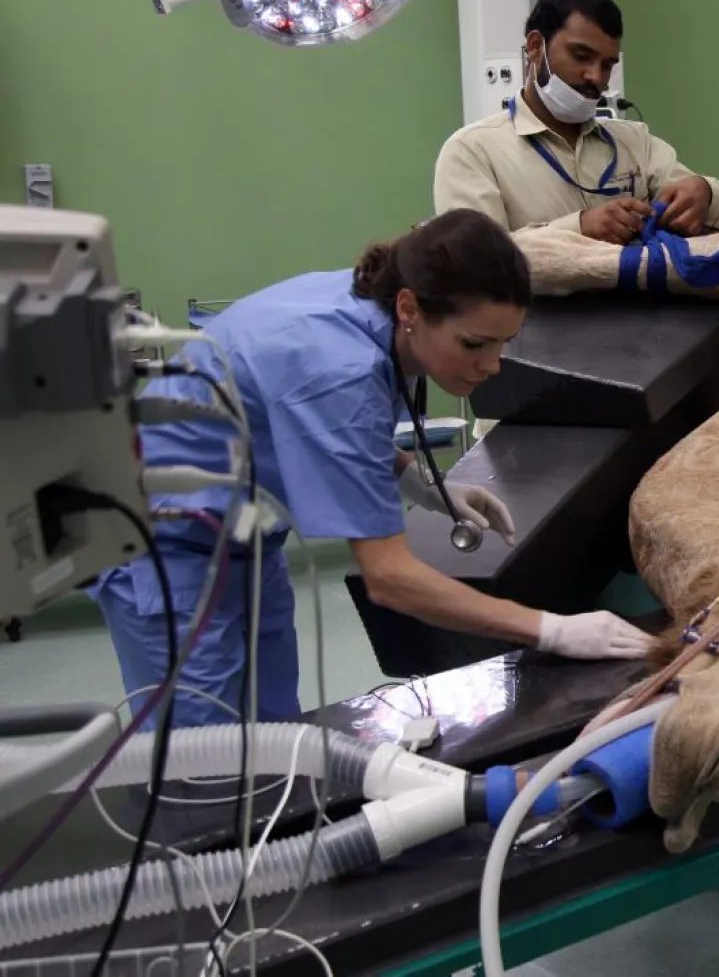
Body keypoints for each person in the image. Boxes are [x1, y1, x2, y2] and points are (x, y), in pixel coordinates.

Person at [94, 209, 654, 729]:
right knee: (202, 768)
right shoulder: (336, 363)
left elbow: (311, 422)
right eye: (474, 344)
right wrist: (551, 629)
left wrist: (418, 479)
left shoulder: (373, 307)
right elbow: (390, 580)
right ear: (411, 309)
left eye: (505, 343)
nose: (491, 365)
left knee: (275, 738)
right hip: (164, 548)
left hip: (245, 540)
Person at [433, 0, 719, 244]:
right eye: (581, 56)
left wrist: (704, 193)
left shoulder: (634, 143)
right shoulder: (472, 152)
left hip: (644, 309)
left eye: (607, 65)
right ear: (536, 46)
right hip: (536, 313)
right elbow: (474, 264)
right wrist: (578, 228)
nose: (596, 77)